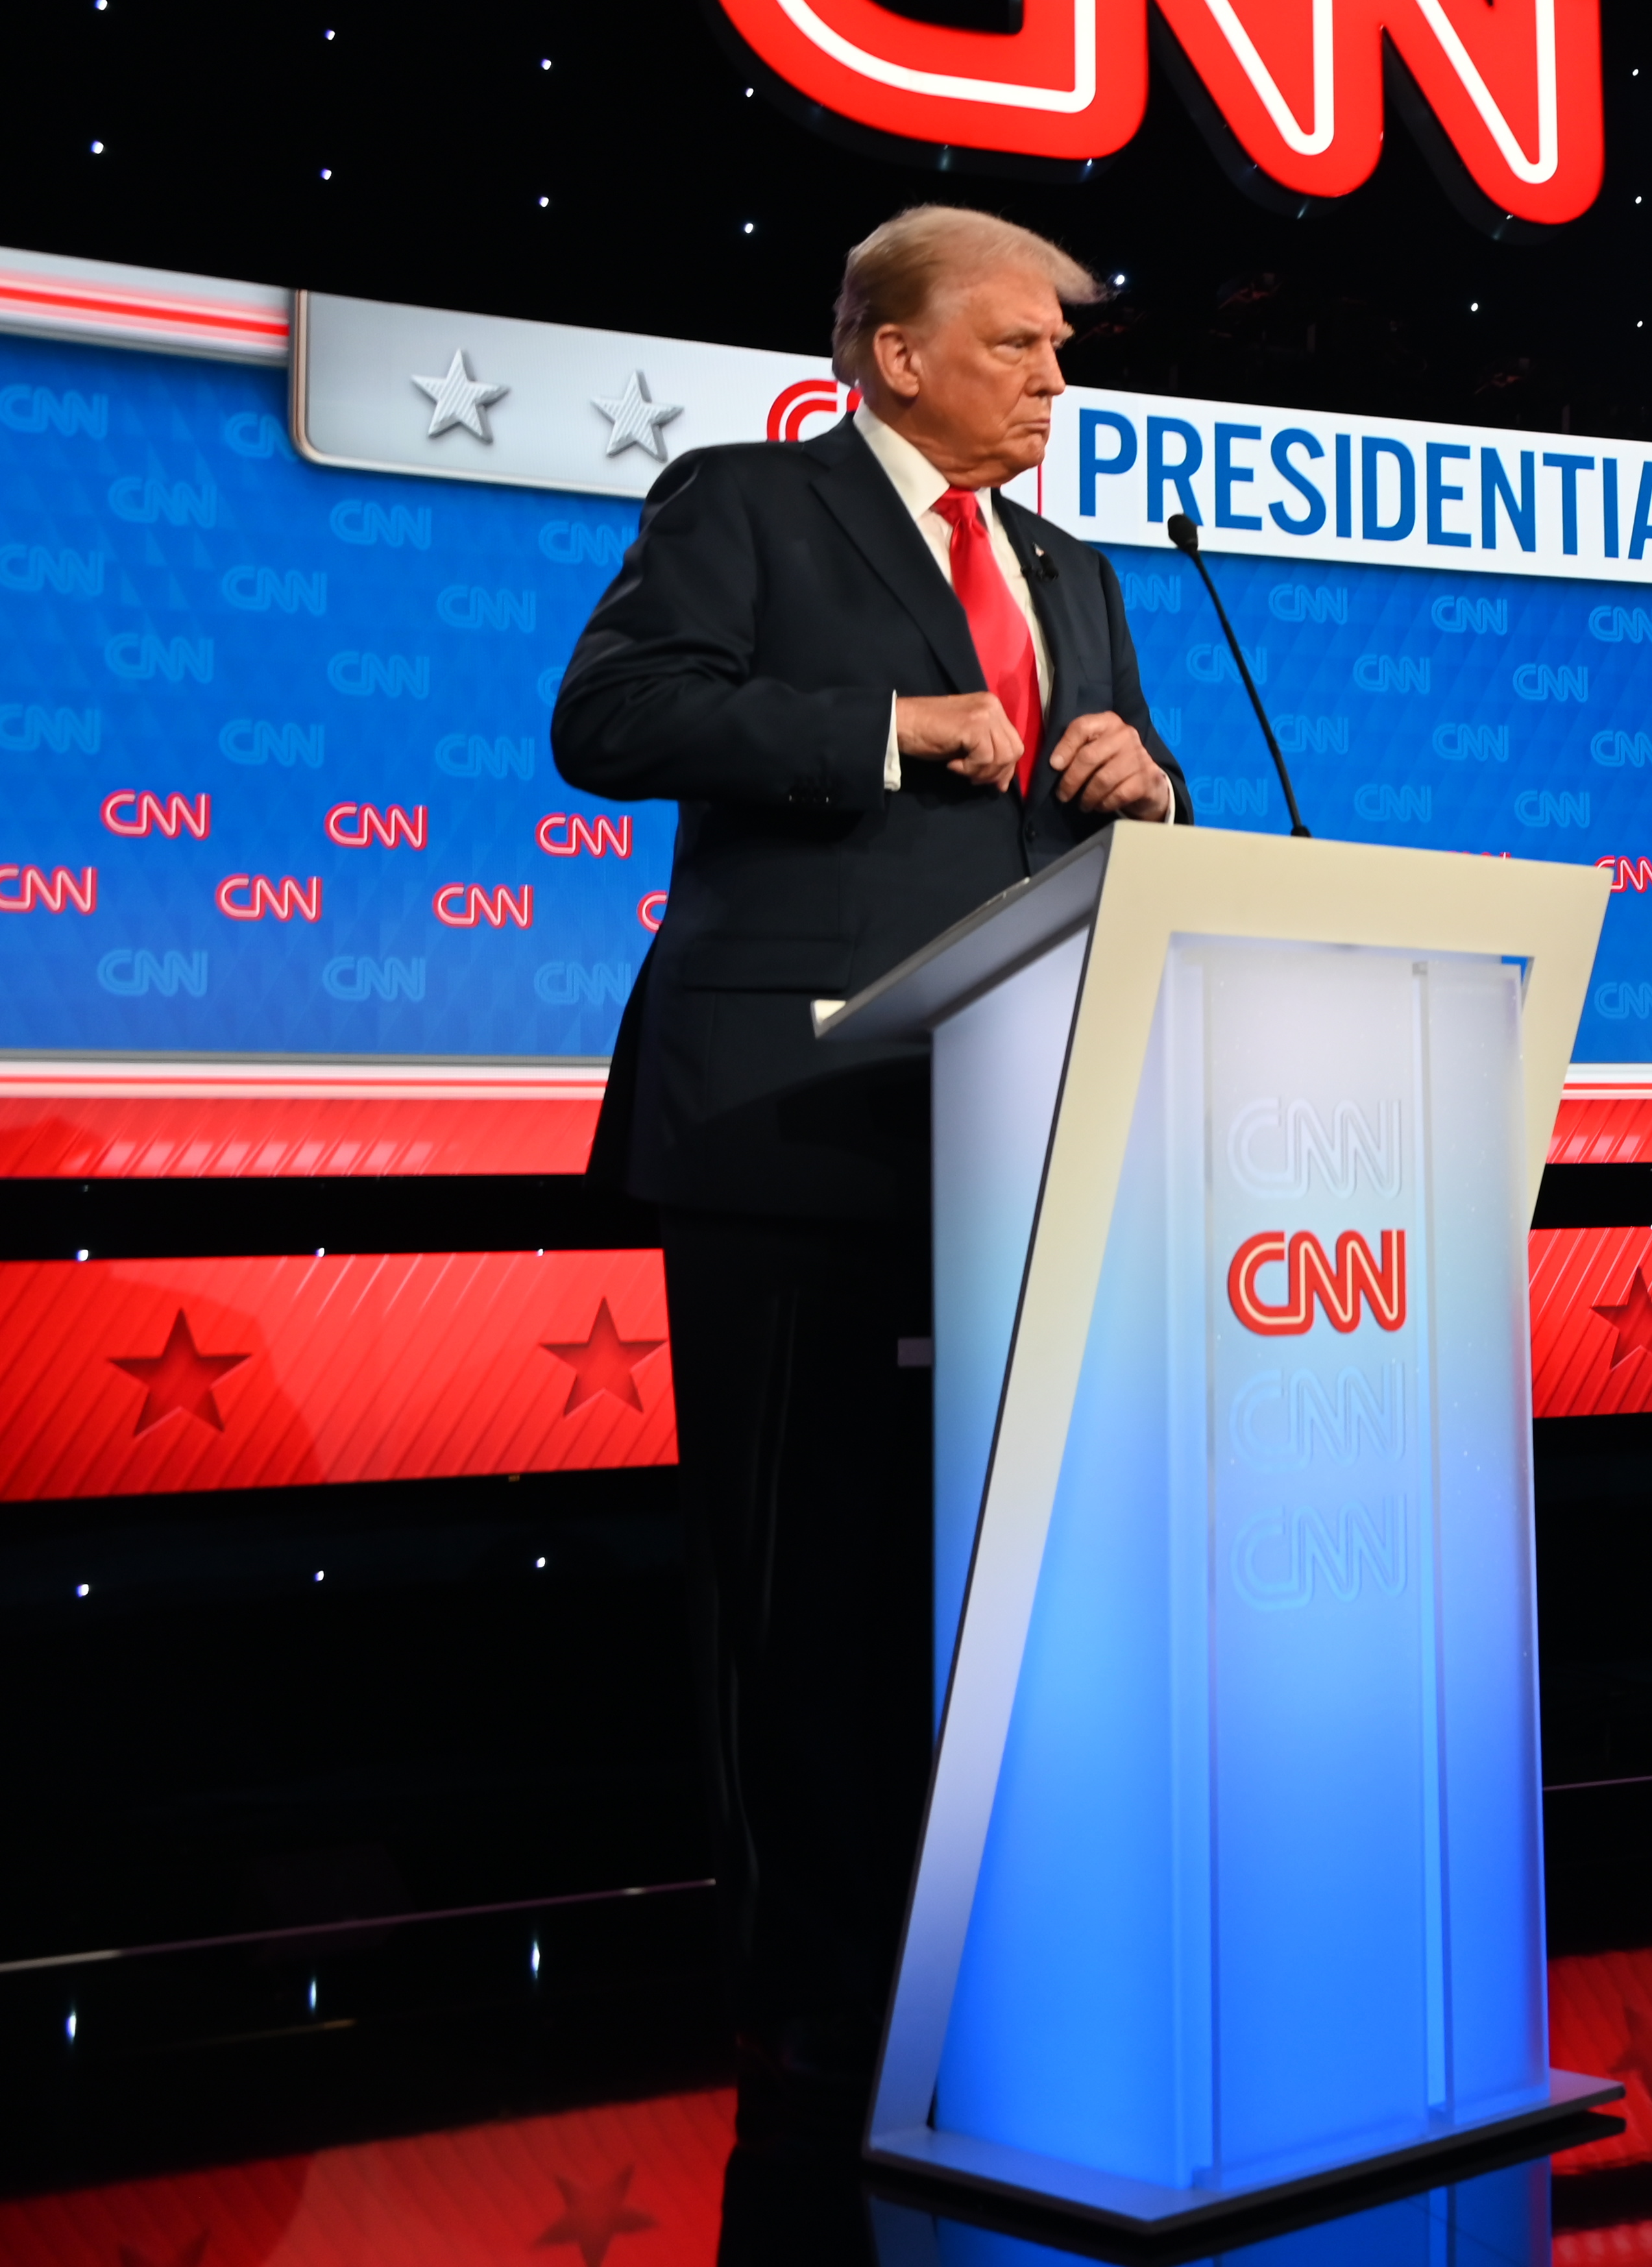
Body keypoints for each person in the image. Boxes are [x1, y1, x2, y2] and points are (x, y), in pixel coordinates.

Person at [552, 205, 1187, 2142]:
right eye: (1019, 348)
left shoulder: (1071, 570)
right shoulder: (746, 501)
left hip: (1019, 1134)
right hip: (789, 1123)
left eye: (1060, 354)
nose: (1055, 385)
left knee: (982, 1589)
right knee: (800, 1597)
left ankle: (989, 1974)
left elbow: (1125, 793)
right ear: (894, 355)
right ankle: (815, 2013)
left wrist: (1146, 789)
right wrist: (880, 728)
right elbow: (612, 719)